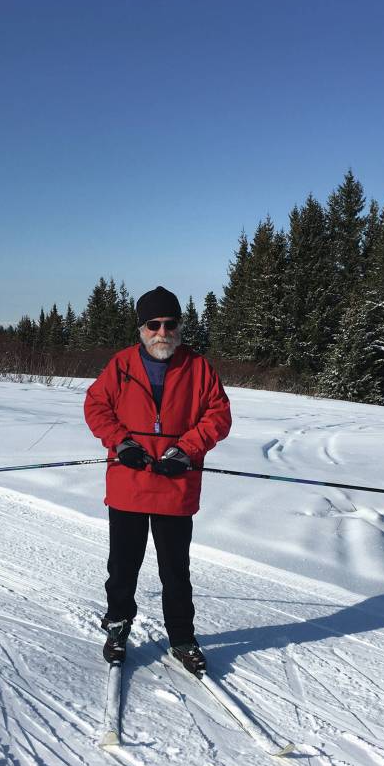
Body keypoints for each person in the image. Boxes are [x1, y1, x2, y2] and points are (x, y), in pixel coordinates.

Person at [84, 285, 232, 673]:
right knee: (122, 568)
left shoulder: (198, 368)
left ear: (179, 326)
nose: (162, 332)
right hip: (128, 484)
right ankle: (117, 627)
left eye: (169, 323)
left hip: (175, 487)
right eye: (153, 324)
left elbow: (218, 416)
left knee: (175, 572)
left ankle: (182, 637)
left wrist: (187, 450)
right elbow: (96, 407)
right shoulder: (120, 365)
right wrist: (121, 442)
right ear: (142, 328)